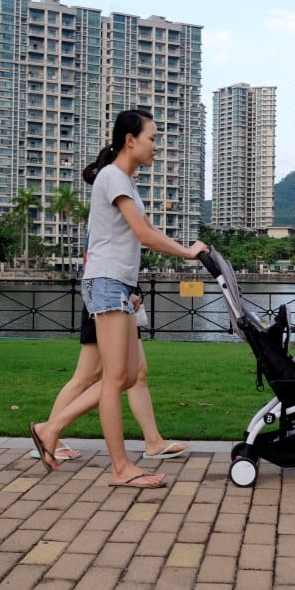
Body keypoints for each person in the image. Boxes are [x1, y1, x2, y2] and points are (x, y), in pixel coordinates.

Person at [68, 108, 207, 489]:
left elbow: (144, 229)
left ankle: (50, 430)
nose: (156, 147)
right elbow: (144, 235)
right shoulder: (113, 176)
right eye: (153, 138)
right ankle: (120, 469)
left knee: (128, 376)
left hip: (118, 285)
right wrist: (187, 252)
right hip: (107, 282)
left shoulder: (123, 180)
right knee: (114, 379)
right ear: (130, 140)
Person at [29, 297, 190, 471]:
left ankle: (153, 441)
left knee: (137, 372)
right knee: (88, 376)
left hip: (120, 301)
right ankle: (50, 434)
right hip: (107, 301)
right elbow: (92, 270)